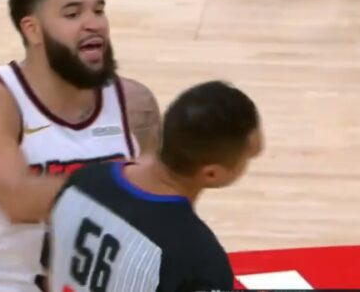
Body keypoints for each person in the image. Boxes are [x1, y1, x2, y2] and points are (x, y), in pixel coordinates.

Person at [0, 0, 161, 292]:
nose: (94, 24)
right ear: (32, 29)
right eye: (73, 14)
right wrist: (135, 187)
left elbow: (158, 216)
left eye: (99, 10)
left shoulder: (135, 104)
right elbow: (18, 198)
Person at [48, 80, 264, 292]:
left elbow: (47, 272)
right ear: (211, 173)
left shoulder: (82, 182)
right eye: (248, 157)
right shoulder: (199, 259)